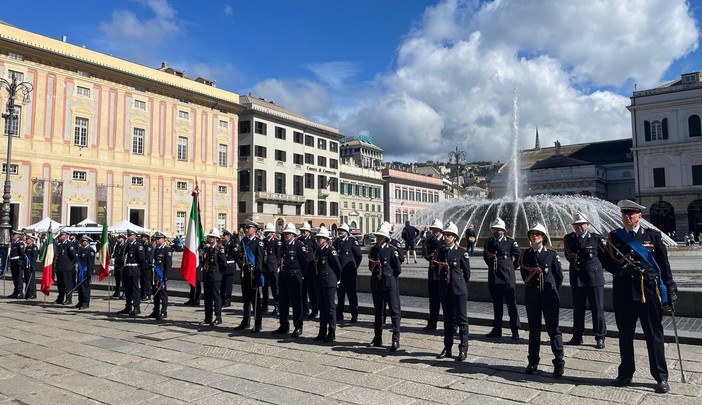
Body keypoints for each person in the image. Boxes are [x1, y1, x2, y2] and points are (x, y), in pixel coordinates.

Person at [604, 200, 677, 394]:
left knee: (654, 335)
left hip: (649, 293)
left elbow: (663, 265)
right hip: (624, 293)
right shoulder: (614, 237)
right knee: (625, 334)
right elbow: (606, 262)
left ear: (639, 216)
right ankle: (626, 373)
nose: (628, 217)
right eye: (625, 214)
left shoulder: (652, 236)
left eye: (632, 213)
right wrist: (622, 270)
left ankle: (661, 376)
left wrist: (670, 288)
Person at [517, 223, 564, 377]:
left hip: (549, 297)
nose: (534, 236)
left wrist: (552, 291)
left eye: (538, 233)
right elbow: (525, 276)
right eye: (532, 233)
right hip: (532, 297)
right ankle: (533, 362)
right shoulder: (525, 255)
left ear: (543, 237)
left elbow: (558, 277)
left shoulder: (551, 254)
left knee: (553, 330)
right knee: (534, 331)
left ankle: (558, 362)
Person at [563, 212, 607, 349]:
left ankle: (600, 337)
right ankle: (577, 335)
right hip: (577, 278)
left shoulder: (595, 239)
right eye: (576, 225)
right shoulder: (568, 238)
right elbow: (568, 255)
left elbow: (604, 256)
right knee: (578, 309)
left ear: (587, 225)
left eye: (581, 224)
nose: (578, 227)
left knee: (597, 309)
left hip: (594, 279)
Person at [434, 222, 471, 362]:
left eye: (449, 235)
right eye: (445, 234)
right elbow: (435, 270)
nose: (446, 237)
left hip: (459, 290)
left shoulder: (462, 252)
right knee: (448, 321)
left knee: (462, 320)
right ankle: (447, 347)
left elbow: (467, 274)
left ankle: (463, 349)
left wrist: (459, 284)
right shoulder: (440, 251)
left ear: (455, 237)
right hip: (445, 289)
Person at [482, 217, 521, 339]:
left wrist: (510, 268)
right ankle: (497, 328)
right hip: (494, 277)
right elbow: (486, 257)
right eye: (494, 229)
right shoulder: (488, 242)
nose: (496, 231)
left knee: (511, 305)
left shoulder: (510, 242)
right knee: (496, 305)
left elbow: (519, 257)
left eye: (498, 229)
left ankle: (515, 330)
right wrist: (494, 267)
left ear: (503, 230)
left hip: (507, 278)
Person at [368, 225, 402, 352]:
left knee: (394, 312)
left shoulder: (392, 250)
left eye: (380, 236)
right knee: (378, 312)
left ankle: (395, 339)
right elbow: (370, 266)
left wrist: (390, 278)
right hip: (377, 283)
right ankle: (377, 338)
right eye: (377, 236)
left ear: (386, 238)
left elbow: (397, 269)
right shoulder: (373, 250)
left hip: (389, 283)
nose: (378, 238)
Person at [272, 223, 308, 337]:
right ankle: (284, 325)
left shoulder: (299, 246)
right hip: (284, 277)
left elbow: (305, 263)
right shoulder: (283, 246)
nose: (286, 235)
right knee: (283, 303)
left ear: (293, 234)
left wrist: (301, 276)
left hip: (294, 277)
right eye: (285, 233)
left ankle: (298, 327)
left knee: (297, 303)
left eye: (288, 233)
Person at [313, 226, 341, 342]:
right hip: (320, 281)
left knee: (330, 308)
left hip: (329, 282)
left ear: (325, 239)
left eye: (319, 238)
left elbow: (337, 267)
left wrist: (336, 280)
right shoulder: (319, 250)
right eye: (317, 238)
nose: (317, 240)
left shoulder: (330, 250)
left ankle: (331, 333)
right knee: (322, 308)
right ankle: (322, 332)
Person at [235, 220, 264, 332]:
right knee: (246, 300)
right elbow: (238, 256)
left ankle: (258, 324)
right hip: (245, 273)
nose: (246, 230)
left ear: (254, 230)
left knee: (256, 301)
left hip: (254, 274)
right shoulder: (243, 241)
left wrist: (257, 276)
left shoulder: (259, 243)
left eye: (249, 228)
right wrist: (241, 264)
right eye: (246, 228)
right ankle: (245, 322)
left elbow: (260, 261)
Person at [334, 223, 362, 323]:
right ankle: (339, 314)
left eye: (342, 230)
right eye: (339, 230)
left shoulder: (352, 241)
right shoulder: (336, 242)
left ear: (346, 232)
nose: (340, 232)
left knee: (351, 295)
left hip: (349, 273)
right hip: (339, 274)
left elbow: (358, 256)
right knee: (340, 295)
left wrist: (354, 268)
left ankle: (354, 315)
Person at [201, 229, 226, 326]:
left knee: (216, 297)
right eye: (209, 237)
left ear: (216, 238)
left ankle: (218, 317)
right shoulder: (207, 249)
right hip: (207, 275)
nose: (209, 238)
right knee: (207, 297)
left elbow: (224, 263)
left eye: (211, 237)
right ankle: (208, 318)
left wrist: (218, 274)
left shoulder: (220, 249)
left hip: (215, 276)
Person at [422, 218, 444, 331]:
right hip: (433, 271)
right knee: (433, 298)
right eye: (433, 229)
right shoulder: (428, 241)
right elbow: (426, 254)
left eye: (436, 229)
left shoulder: (445, 240)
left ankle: (452, 323)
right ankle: (432, 322)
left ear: (440, 230)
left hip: (443, 272)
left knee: (446, 299)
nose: (434, 231)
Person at [118, 230, 145, 316]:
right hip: (127, 268)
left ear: (135, 236)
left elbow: (141, 259)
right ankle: (128, 306)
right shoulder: (127, 246)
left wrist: (139, 269)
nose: (128, 236)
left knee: (135, 289)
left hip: (134, 268)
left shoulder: (138, 246)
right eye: (128, 235)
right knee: (127, 289)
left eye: (130, 235)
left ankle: (136, 307)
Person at [150, 232, 171, 320]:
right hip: (155, 275)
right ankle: (156, 311)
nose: (157, 240)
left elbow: (168, 264)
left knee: (163, 295)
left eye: (158, 238)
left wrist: (166, 276)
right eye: (156, 238)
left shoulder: (167, 250)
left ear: (163, 239)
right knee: (155, 294)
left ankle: (163, 311)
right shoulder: (156, 249)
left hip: (161, 275)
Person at [298, 222, 318, 319]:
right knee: (302, 292)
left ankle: (314, 310)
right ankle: (304, 310)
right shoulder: (299, 240)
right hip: (302, 269)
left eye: (304, 231)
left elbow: (317, 251)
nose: (303, 232)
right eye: (302, 231)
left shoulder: (313, 240)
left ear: (309, 231)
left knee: (312, 291)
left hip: (311, 269)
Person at [53, 230, 77, 305]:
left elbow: (73, 255)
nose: (60, 237)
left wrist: (70, 264)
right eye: (60, 236)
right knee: (60, 284)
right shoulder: (60, 245)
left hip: (67, 268)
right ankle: (60, 298)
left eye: (62, 235)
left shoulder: (69, 244)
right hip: (60, 268)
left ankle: (68, 299)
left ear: (66, 236)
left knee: (68, 284)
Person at [262, 223, 281, 314]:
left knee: (274, 287)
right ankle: (264, 305)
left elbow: (278, 254)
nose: (266, 234)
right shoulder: (264, 241)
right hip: (265, 267)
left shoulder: (276, 241)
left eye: (268, 232)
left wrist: (278, 266)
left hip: (273, 266)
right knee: (264, 287)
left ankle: (277, 306)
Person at [74, 235, 95, 309]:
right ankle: (80, 301)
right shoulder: (81, 250)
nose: (82, 242)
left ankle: (86, 302)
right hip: (80, 271)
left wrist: (90, 272)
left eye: (83, 241)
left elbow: (91, 263)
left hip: (85, 271)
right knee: (80, 287)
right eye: (81, 241)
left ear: (87, 241)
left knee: (85, 288)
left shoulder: (90, 250)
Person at [220, 229, 238, 308]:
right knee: (222, 286)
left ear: (229, 237)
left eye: (225, 236)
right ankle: (222, 300)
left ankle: (227, 301)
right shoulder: (222, 245)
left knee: (228, 286)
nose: (223, 237)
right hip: (223, 268)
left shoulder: (232, 245)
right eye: (223, 236)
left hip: (229, 267)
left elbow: (236, 256)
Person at [8, 231, 26, 298]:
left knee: (19, 278)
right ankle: (15, 292)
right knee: (15, 277)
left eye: (14, 235)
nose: (12, 236)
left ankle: (20, 292)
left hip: (18, 262)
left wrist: (24, 262)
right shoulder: (14, 243)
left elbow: (22, 254)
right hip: (13, 262)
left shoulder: (20, 243)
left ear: (17, 236)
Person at [24, 234, 39, 299]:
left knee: (31, 280)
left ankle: (32, 294)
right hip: (26, 265)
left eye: (28, 239)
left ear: (31, 240)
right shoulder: (27, 247)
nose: (26, 240)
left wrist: (33, 266)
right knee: (27, 279)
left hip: (31, 265)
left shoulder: (34, 247)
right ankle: (27, 293)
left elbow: (34, 258)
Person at [139, 232, 154, 301]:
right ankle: (143, 294)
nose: (141, 238)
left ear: (146, 238)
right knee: (142, 281)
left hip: (147, 266)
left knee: (147, 281)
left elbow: (147, 255)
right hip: (142, 266)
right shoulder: (142, 245)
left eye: (143, 237)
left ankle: (148, 294)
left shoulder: (149, 246)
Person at [112, 234, 126, 298]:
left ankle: (124, 291)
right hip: (117, 264)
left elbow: (123, 256)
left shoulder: (124, 246)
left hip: (122, 265)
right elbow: (115, 253)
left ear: (123, 239)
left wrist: (116, 259)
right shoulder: (117, 245)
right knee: (117, 279)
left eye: (119, 238)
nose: (118, 239)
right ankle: (117, 291)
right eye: (118, 238)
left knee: (122, 279)